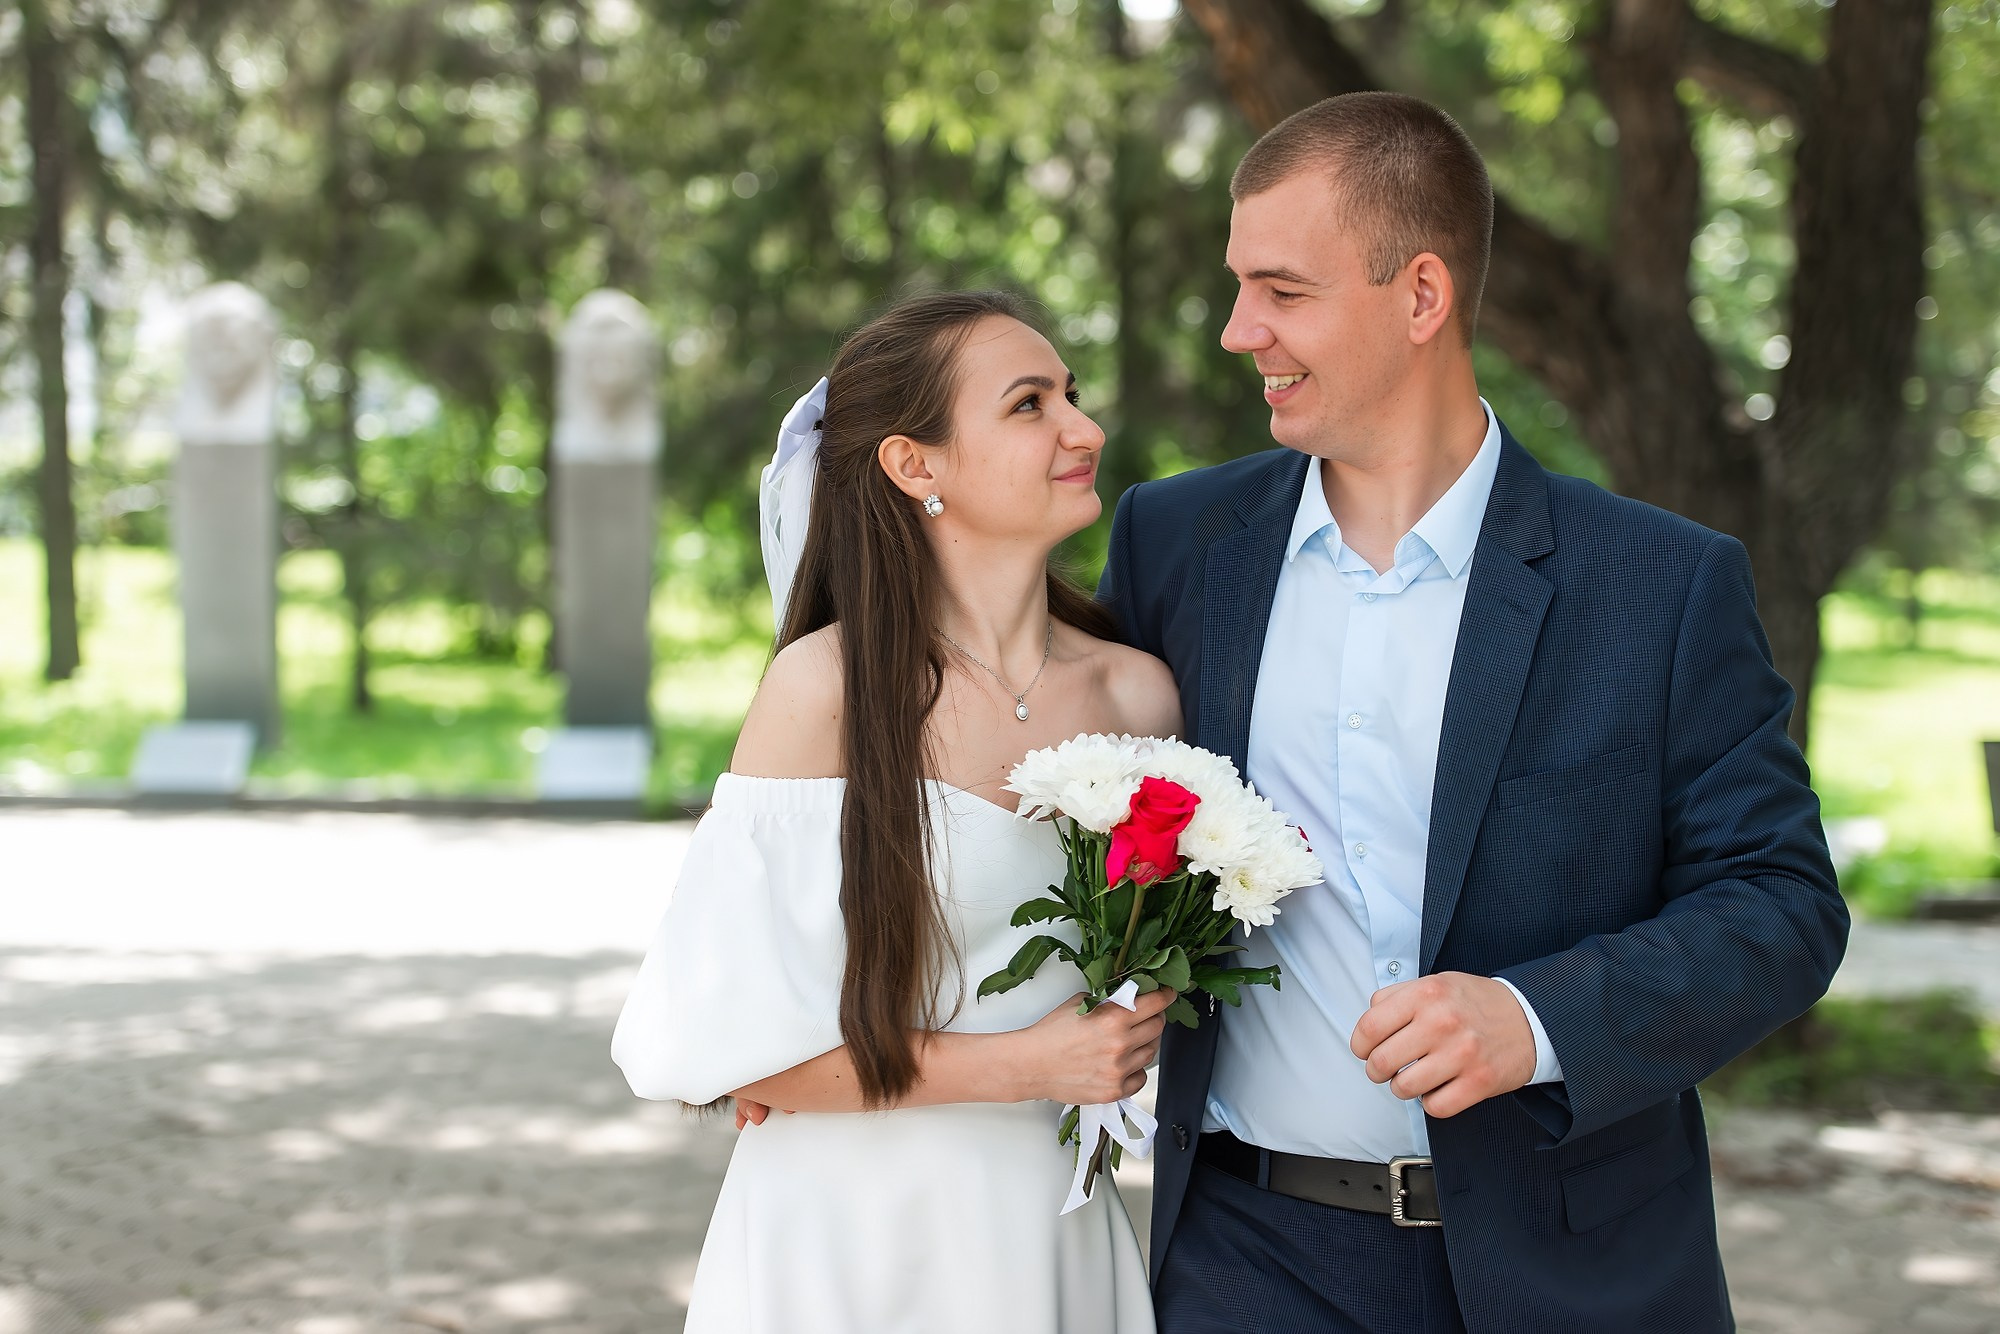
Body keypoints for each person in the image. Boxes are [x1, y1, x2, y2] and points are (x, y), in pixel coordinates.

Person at [1098, 92, 1847, 1332]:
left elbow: (1780, 904)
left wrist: (1535, 1017)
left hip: (1577, 1273)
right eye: (1238, 287)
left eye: (1282, 291)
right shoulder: (1173, 544)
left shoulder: (1658, 585)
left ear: (1421, 296)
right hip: (1246, 1258)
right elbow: (1027, 767)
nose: (1240, 331)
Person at [612, 290, 1180, 1333]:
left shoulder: (1134, 698)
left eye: (1070, 395)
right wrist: (1029, 1061)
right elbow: (720, 1047)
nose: (1081, 427)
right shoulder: (823, 691)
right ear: (914, 464)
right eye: (1027, 404)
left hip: (1043, 1230)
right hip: (840, 1239)